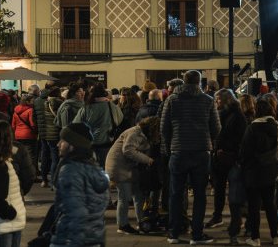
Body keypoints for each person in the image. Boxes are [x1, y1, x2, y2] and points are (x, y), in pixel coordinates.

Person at [161, 70, 221, 245]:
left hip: (178, 151)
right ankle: (197, 234)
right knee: (200, 194)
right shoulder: (208, 101)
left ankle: (173, 233)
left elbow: (164, 127)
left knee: (175, 194)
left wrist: (169, 147)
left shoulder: (172, 100)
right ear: (200, 82)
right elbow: (216, 129)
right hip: (201, 152)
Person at [50, 122, 109, 247]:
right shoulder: (94, 167)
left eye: (63, 140)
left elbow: (76, 214)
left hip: (72, 239)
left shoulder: (70, 170)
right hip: (94, 237)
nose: (58, 144)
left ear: (72, 145)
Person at [240, 97, 278, 246]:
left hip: (253, 172)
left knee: (254, 206)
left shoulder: (251, 128)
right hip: (271, 171)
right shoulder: (277, 128)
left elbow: (245, 152)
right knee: (271, 204)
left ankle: (255, 237)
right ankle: (275, 235)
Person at [206, 89, 248, 244]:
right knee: (219, 188)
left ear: (225, 100)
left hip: (231, 158)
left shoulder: (237, 116)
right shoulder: (221, 114)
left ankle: (236, 223)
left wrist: (226, 149)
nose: (216, 103)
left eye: (218, 100)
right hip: (220, 157)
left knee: (234, 193)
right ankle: (218, 216)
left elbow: (239, 138)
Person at [106, 116, 160, 234]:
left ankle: (142, 222)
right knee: (124, 197)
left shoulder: (140, 133)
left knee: (138, 195)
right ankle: (123, 225)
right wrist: (148, 160)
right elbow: (128, 150)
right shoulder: (135, 133)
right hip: (119, 167)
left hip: (128, 167)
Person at [73, 83, 123, 169]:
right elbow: (119, 120)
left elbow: (76, 124)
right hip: (107, 143)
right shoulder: (112, 106)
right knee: (105, 168)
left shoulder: (86, 108)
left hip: (89, 144)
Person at [38, 87, 62, 188]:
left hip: (46, 133)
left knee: (45, 156)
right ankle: (54, 181)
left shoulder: (45, 103)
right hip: (55, 134)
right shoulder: (58, 103)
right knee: (55, 158)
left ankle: (45, 180)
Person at [11, 93, 38, 177]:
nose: (33, 102)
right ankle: (32, 174)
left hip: (18, 135)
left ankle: (21, 173)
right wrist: (36, 131)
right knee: (30, 155)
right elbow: (32, 124)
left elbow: (13, 125)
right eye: (32, 100)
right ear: (27, 101)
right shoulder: (30, 110)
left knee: (20, 154)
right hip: (28, 135)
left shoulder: (16, 110)